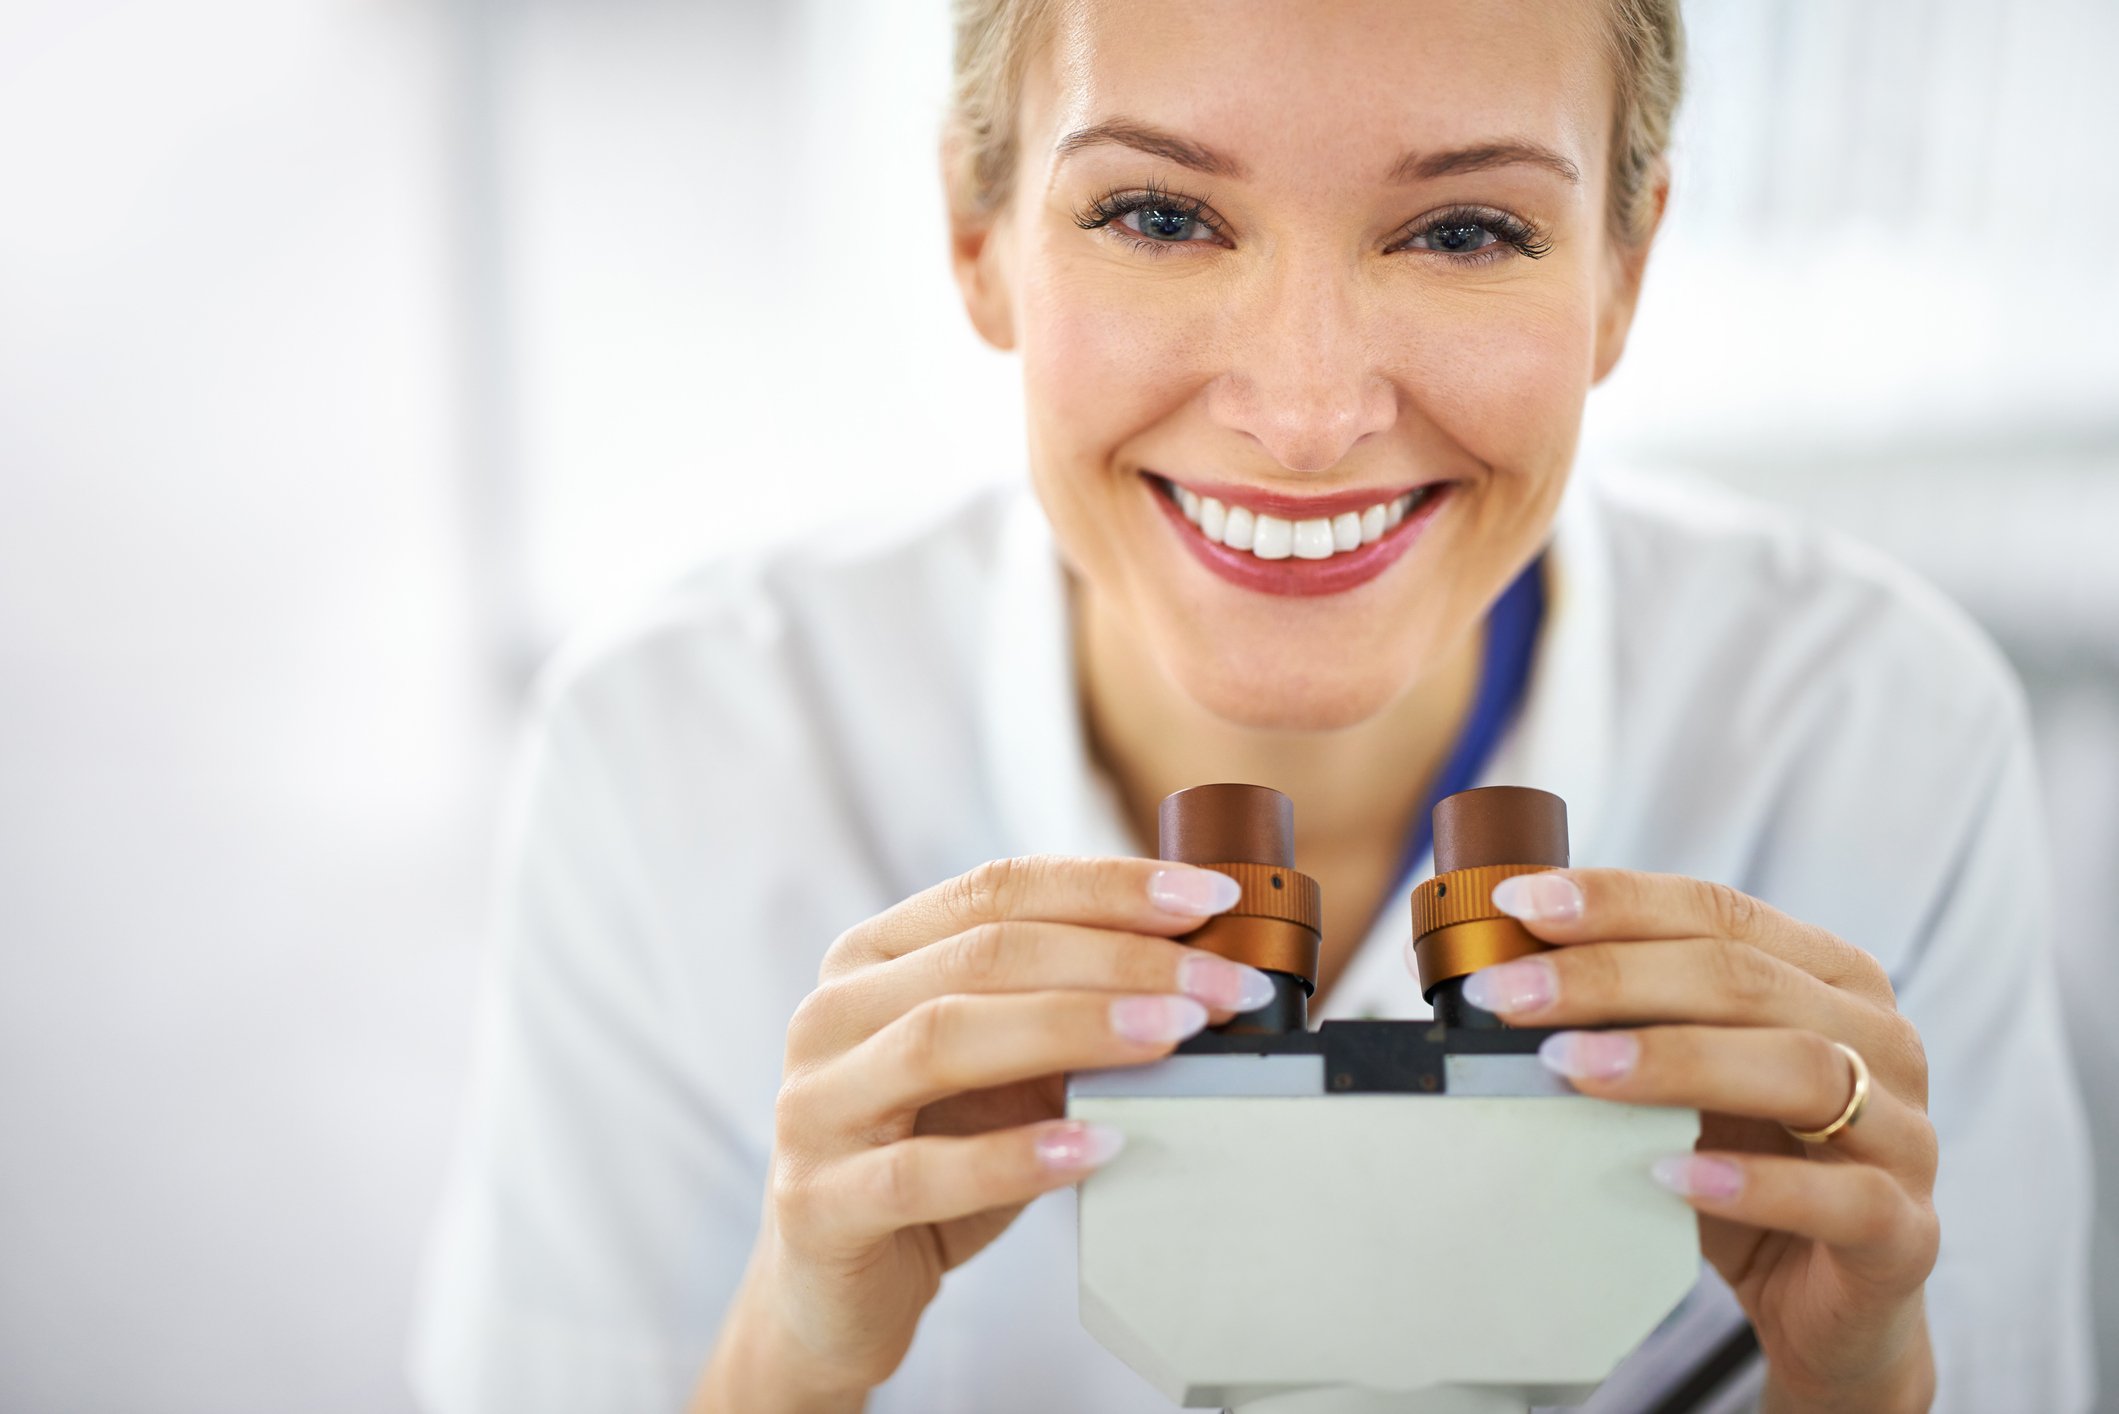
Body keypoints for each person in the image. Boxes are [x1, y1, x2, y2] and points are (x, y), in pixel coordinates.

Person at [408, 1, 2096, 1410]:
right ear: (977, 237)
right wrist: (785, 1358)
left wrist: (1862, 1385)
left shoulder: (1875, 734)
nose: (1304, 412)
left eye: (1463, 228)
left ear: (1623, 276)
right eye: (1158, 213)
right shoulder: (669, 753)